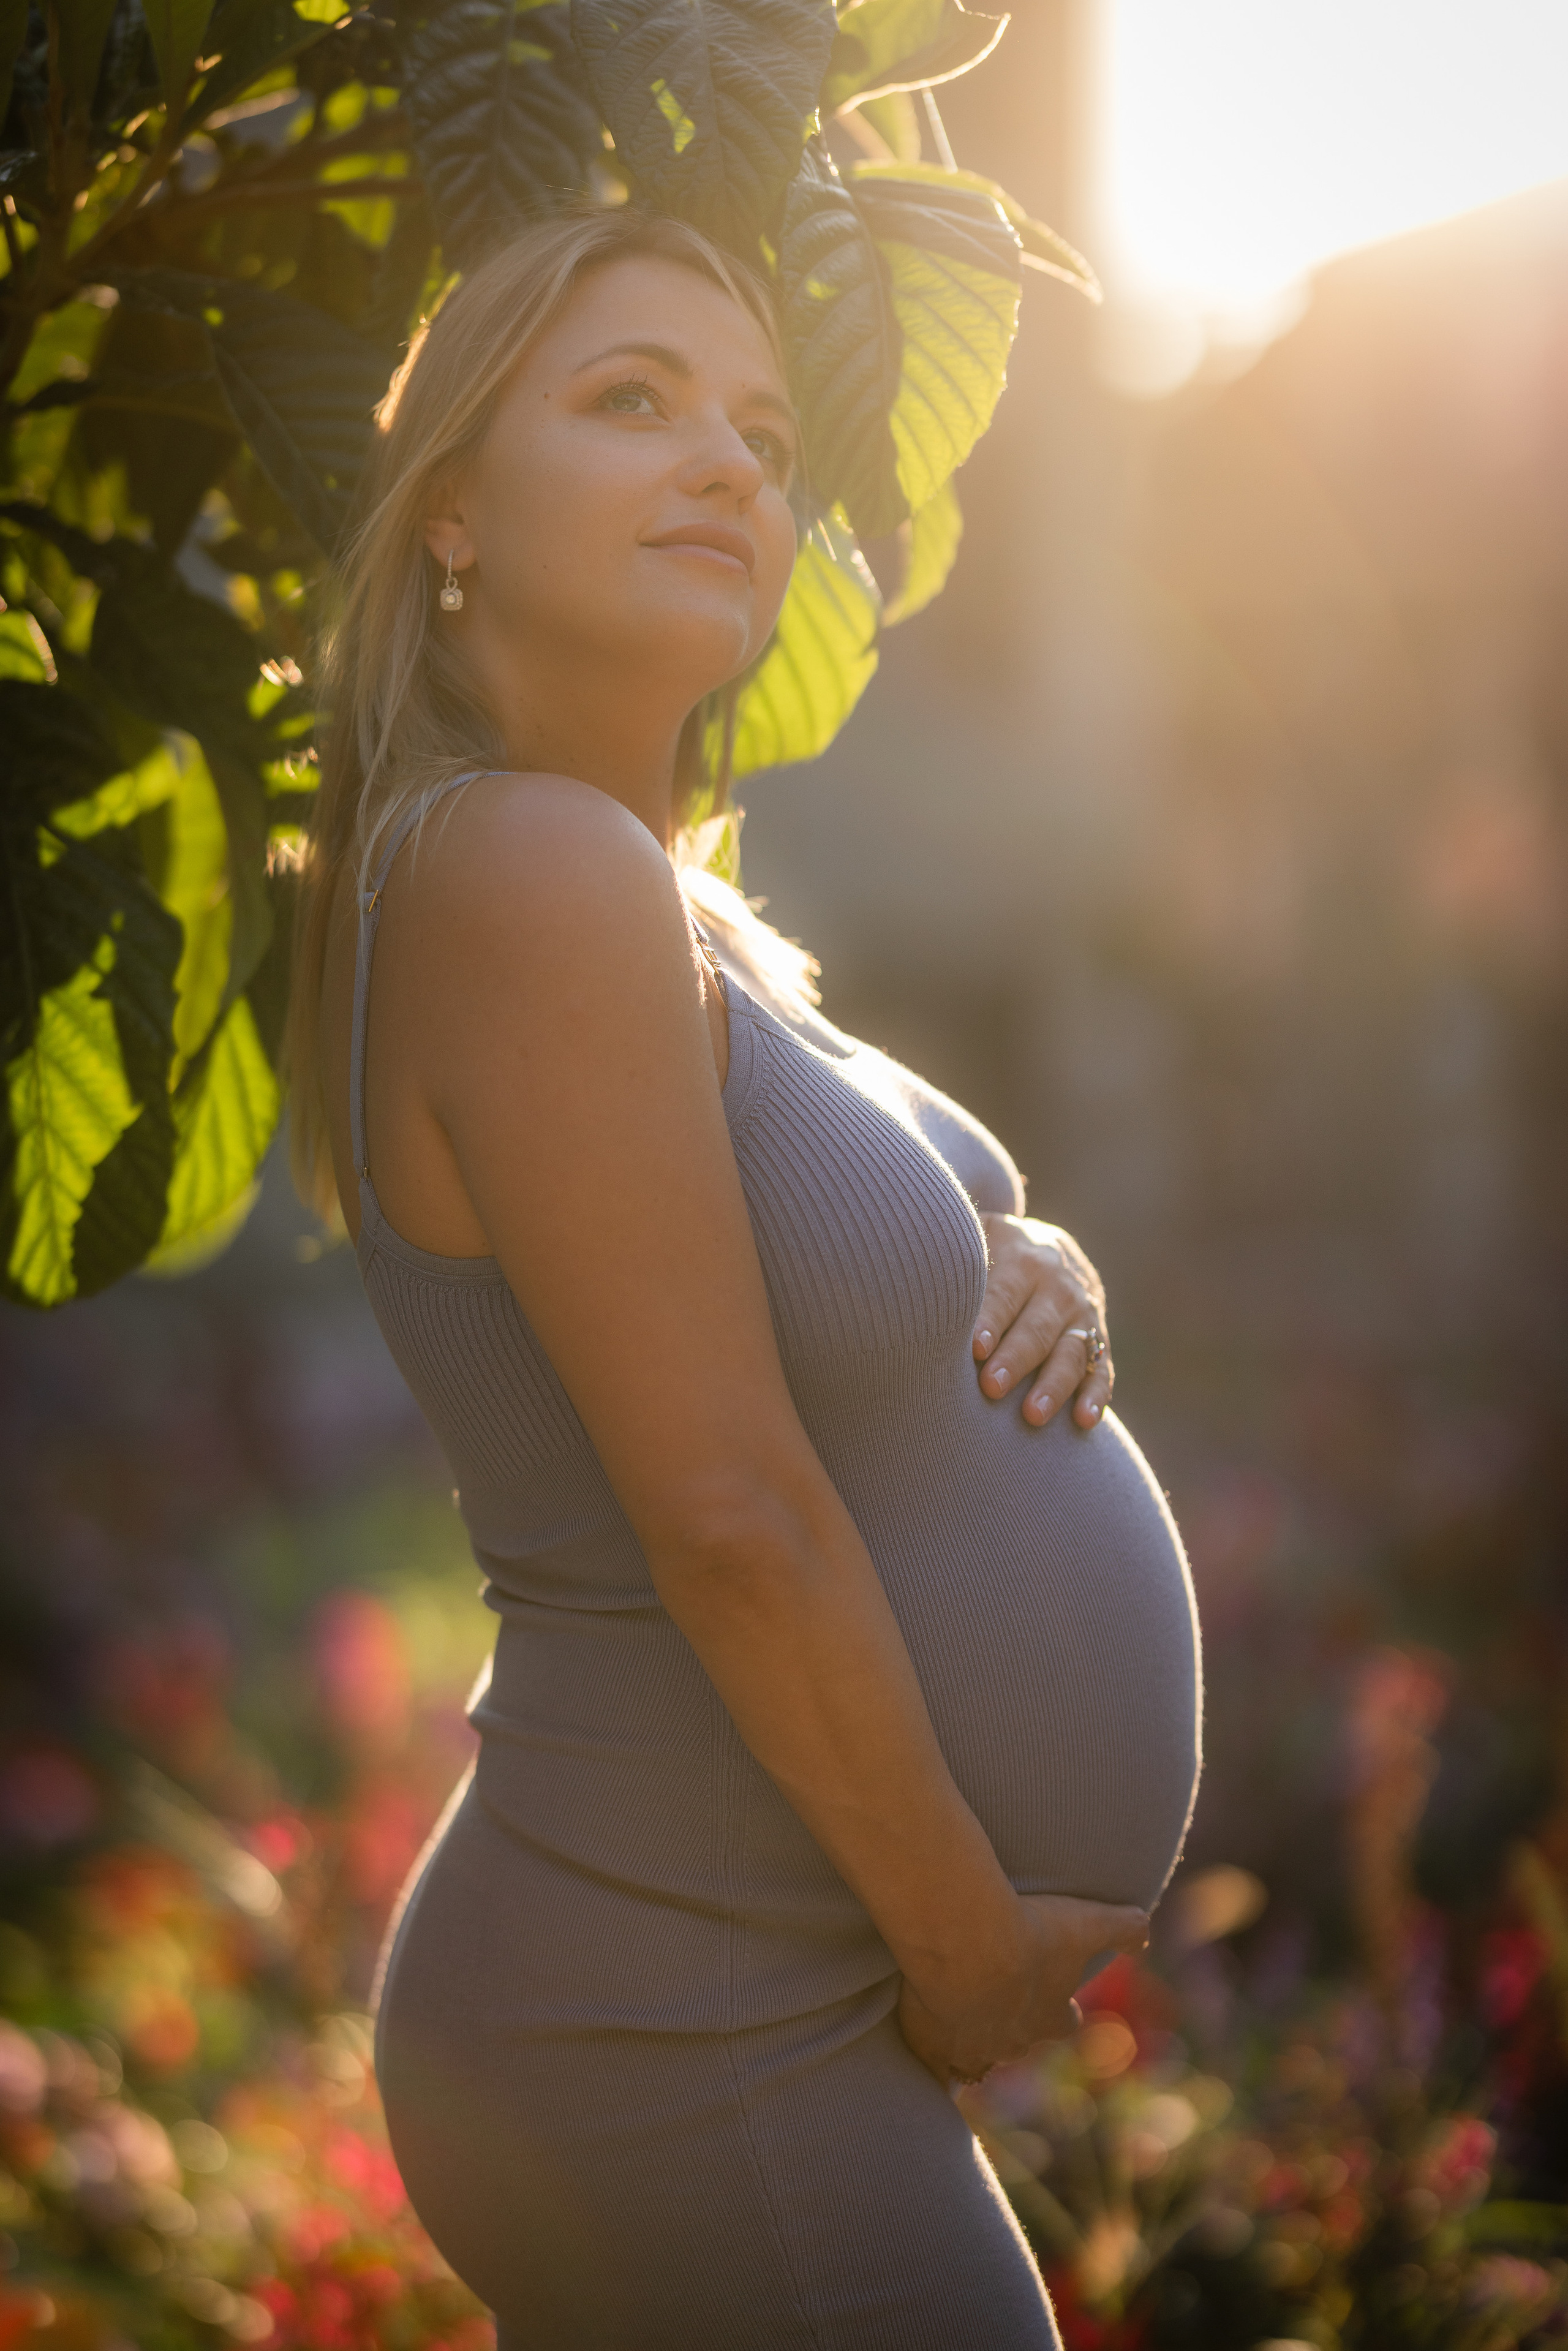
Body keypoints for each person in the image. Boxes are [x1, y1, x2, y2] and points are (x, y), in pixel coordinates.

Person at [287, 205, 1202, 2350]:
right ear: (449, 525)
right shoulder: (523, 867)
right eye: (632, 402)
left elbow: (819, 1290)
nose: (732, 462)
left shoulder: (633, 895)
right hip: (685, 2004)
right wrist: (960, 1936)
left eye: (767, 433)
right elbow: (728, 1517)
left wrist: (1030, 1258)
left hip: (702, 1968)